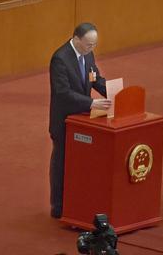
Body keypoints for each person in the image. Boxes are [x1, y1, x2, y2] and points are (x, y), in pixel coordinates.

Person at [49, 23, 110, 218]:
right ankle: (58, 206)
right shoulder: (60, 59)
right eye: (88, 45)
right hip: (64, 120)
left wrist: (116, 93)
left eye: (94, 45)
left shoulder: (88, 54)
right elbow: (63, 93)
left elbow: (95, 78)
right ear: (76, 40)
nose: (91, 48)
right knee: (61, 163)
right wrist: (92, 103)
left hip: (82, 119)